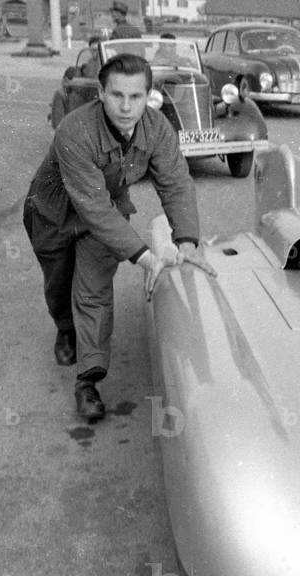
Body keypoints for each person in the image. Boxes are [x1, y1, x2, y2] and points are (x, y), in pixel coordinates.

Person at [23, 53, 216, 422]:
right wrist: (146, 257)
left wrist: (187, 242)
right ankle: (65, 329)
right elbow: (90, 206)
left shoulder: (158, 128)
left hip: (105, 212)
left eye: (136, 97)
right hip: (52, 214)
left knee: (93, 290)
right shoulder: (73, 130)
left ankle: (87, 381)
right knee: (59, 285)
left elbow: (175, 182)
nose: (126, 107)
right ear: (100, 92)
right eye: (117, 96)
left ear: (148, 96)